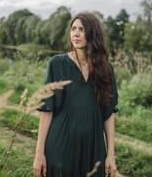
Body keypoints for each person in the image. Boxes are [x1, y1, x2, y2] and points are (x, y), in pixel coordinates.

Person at [33, 12, 119, 177]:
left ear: (92, 34)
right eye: (73, 29)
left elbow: (108, 114)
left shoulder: (106, 69)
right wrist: (39, 153)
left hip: (94, 150)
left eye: (82, 29)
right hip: (60, 147)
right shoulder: (57, 64)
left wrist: (110, 155)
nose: (76, 34)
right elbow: (47, 111)